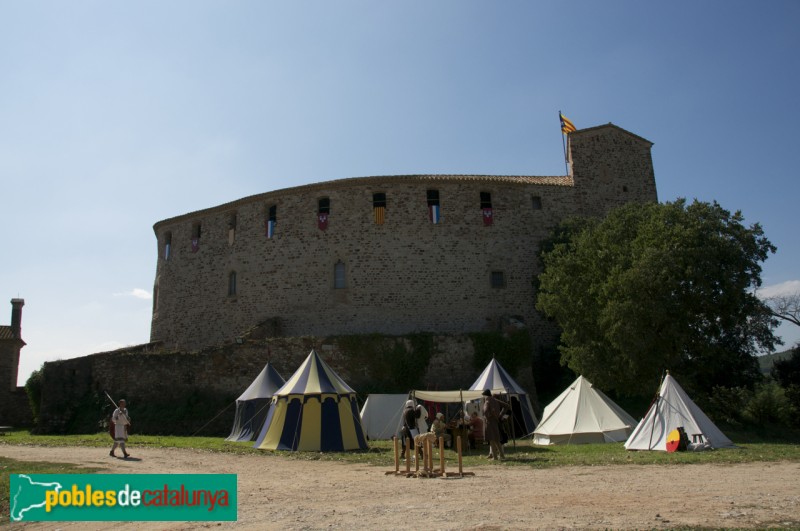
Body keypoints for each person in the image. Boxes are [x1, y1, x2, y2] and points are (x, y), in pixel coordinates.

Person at [482, 389, 504, 460]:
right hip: (495, 421)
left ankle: (495, 457)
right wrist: (500, 416)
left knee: (492, 440)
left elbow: (486, 412)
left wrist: (488, 417)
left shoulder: (487, 401)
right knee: (497, 440)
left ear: (486, 395)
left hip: (490, 422)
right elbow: (506, 406)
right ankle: (502, 455)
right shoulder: (495, 400)